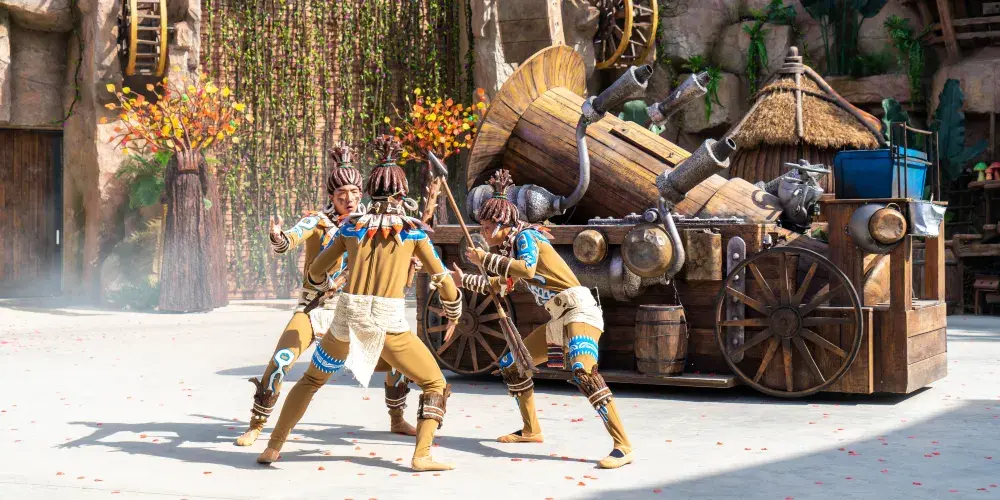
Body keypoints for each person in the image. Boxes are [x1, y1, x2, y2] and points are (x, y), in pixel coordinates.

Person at [257, 135, 462, 472]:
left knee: (310, 381)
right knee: (434, 383)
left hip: (345, 320)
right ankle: (422, 455)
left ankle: (273, 446)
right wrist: (454, 310)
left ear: (368, 193)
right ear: (401, 195)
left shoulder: (351, 229)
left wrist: (330, 283)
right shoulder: (413, 233)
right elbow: (444, 284)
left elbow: (316, 270)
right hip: (388, 324)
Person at [235, 143, 416, 447]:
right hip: (315, 306)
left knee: (398, 361)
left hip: (357, 308)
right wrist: (277, 236)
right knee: (281, 359)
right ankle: (256, 424)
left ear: (362, 194)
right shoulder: (316, 221)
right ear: (331, 196)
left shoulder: (371, 224)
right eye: (341, 193)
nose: (349, 199)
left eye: (354, 193)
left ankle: (397, 418)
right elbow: (289, 241)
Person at [450, 169, 634, 469]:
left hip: (580, 311)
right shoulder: (513, 248)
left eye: (487, 227)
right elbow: (501, 285)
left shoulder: (526, 238)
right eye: (482, 226)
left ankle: (623, 445)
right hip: (559, 319)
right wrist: (464, 281)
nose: (483, 233)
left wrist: (485, 259)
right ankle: (531, 429)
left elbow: (527, 270)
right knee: (512, 365)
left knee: (584, 372)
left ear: (504, 225)